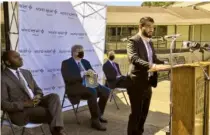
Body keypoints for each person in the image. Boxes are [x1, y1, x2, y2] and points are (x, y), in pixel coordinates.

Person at [1, 51, 66, 135]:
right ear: (7, 62)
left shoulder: (26, 72)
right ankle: (57, 132)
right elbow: (3, 104)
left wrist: (37, 98)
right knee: (52, 112)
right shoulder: (2, 78)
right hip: (21, 111)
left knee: (54, 96)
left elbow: (37, 89)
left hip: (35, 102)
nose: (20, 58)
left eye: (19, 56)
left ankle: (57, 130)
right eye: (16, 57)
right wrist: (26, 104)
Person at [126, 17, 169, 135]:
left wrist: (167, 64)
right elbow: (134, 59)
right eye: (149, 27)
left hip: (148, 82)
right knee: (136, 114)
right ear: (141, 27)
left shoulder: (150, 42)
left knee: (144, 113)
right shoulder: (133, 41)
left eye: (153, 27)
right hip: (135, 83)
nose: (152, 30)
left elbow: (154, 59)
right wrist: (152, 66)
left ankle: (139, 133)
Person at [61, 45, 110, 131]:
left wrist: (92, 75)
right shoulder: (66, 63)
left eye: (82, 50)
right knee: (92, 91)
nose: (81, 52)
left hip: (89, 84)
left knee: (106, 91)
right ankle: (95, 121)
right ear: (73, 52)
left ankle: (98, 115)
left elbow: (93, 73)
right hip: (75, 87)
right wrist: (81, 75)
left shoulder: (85, 62)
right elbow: (67, 78)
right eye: (79, 51)